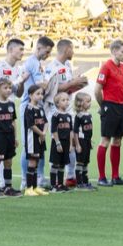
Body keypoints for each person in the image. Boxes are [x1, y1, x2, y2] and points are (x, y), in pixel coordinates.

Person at [45, 39, 88, 186]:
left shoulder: (68, 65)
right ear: (67, 49)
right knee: (58, 145)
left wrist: (78, 83)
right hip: (56, 112)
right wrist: (72, 83)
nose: (73, 52)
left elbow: (68, 88)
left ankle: (70, 176)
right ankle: (54, 179)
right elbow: (50, 89)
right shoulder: (52, 67)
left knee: (73, 144)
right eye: (72, 49)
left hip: (69, 111)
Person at [0, 38, 29, 189]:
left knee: (6, 148)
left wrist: (22, 82)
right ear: (11, 50)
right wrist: (19, 80)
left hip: (10, 109)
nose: (22, 53)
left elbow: (18, 94)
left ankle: (4, 183)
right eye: (20, 50)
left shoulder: (17, 69)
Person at [94, 40, 123, 186]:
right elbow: (97, 90)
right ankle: (102, 177)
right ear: (114, 51)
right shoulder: (106, 67)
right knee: (105, 140)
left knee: (118, 140)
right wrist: (103, 106)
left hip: (121, 106)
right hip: (110, 105)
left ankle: (115, 176)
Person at [20, 36, 54, 188]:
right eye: (46, 51)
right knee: (28, 145)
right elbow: (42, 85)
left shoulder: (38, 63)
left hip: (38, 107)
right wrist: (48, 83)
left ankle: (38, 178)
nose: (48, 55)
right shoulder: (32, 62)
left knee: (39, 144)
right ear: (39, 47)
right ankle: (24, 179)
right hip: (28, 105)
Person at [22, 84, 50, 196]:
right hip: (32, 140)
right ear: (30, 95)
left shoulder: (41, 108)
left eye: (41, 94)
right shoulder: (28, 109)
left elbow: (46, 122)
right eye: (37, 94)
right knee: (32, 162)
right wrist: (41, 133)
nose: (40, 96)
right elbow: (31, 125)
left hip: (40, 139)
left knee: (37, 162)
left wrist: (44, 133)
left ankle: (35, 187)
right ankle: (28, 188)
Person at [49, 92, 74, 192]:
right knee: (56, 163)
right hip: (58, 143)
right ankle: (52, 185)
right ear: (57, 103)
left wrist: (71, 144)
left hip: (66, 143)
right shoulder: (55, 115)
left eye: (67, 99)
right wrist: (57, 143)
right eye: (63, 100)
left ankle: (60, 184)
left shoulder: (68, 116)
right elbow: (54, 130)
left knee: (63, 164)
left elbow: (71, 131)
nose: (66, 102)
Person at [72, 93, 96, 191]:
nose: (89, 103)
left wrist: (90, 140)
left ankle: (85, 181)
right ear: (80, 103)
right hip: (81, 141)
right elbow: (76, 131)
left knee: (86, 161)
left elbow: (89, 130)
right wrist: (77, 144)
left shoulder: (89, 115)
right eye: (87, 101)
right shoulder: (79, 116)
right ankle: (79, 183)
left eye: (90, 101)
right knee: (80, 162)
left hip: (87, 141)